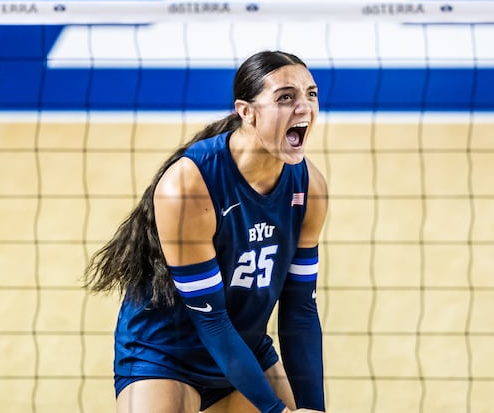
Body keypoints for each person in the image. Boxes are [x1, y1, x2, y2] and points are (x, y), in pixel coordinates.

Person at [85, 50, 327, 413]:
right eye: (285, 97)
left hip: (244, 350)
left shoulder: (310, 188)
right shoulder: (189, 186)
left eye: (311, 93)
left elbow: (300, 310)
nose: (304, 107)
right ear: (246, 111)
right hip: (166, 352)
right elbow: (210, 319)